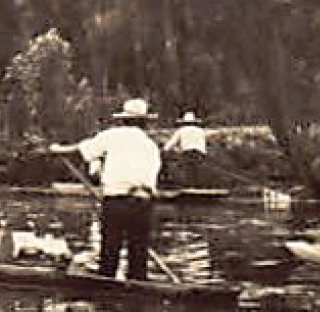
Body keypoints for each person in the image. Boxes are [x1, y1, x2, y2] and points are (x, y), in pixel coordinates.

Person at [50, 98, 162, 280]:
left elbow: (82, 150)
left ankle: (106, 292)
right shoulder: (151, 145)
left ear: (123, 120)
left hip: (117, 202)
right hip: (144, 203)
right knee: (138, 255)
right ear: (145, 122)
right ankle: (137, 289)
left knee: (110, 251)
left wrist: (59, 149)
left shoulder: (112, 135)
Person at [162, 111, 208, 187]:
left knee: (187, 170)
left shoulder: (181, 131)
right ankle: (198, 185)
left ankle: (189, 186)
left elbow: (169, 145)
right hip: (200, 154)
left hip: (188, 153)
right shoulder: (200, 131)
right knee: (197, 170)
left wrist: (164, 150)